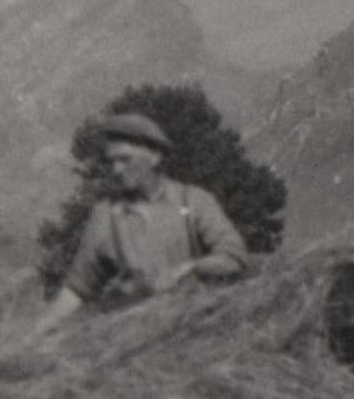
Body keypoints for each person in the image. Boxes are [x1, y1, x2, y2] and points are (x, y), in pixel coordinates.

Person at [41, 111, 251, 328]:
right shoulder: (105, 215)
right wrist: (39, 332)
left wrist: (193, 268)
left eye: (124, 159)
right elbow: (78, 289)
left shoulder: (194, 201)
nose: (116, 170)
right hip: (134, 335)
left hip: (193, 326)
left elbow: (234, 257)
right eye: (111, 162)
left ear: (155, 156)